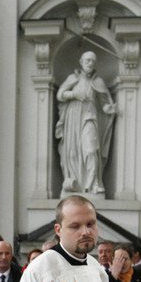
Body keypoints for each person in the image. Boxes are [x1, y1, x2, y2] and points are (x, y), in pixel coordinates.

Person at [56, 51, 117, 196]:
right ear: (81, 61)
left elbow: (103, 103)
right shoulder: (73, 78)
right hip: (73, 117)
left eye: (93, 61)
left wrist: (108, 108)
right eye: (87, 60)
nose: (90, 63)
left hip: (89, 116)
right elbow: (60, 95)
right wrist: (74, 94)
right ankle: (76, 183)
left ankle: (93, 183)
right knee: (73, 152)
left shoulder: (98, 81)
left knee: (91, 149)